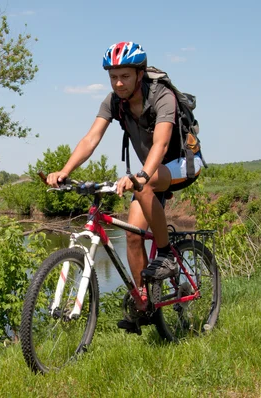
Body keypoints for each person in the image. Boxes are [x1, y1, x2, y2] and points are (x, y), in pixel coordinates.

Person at [46, 41, 204, 332]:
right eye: (113, 76)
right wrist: (65, 171)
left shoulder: (162, 96)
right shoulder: (113, 102)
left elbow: (162, 143)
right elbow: (91, 138)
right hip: (149, 173)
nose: (118, 82)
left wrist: (141, 176)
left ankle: (167, 255)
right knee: (131, 235)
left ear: (140, 74)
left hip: (182, 164)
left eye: (125, 76)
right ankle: (144, 303)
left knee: (142, 187)